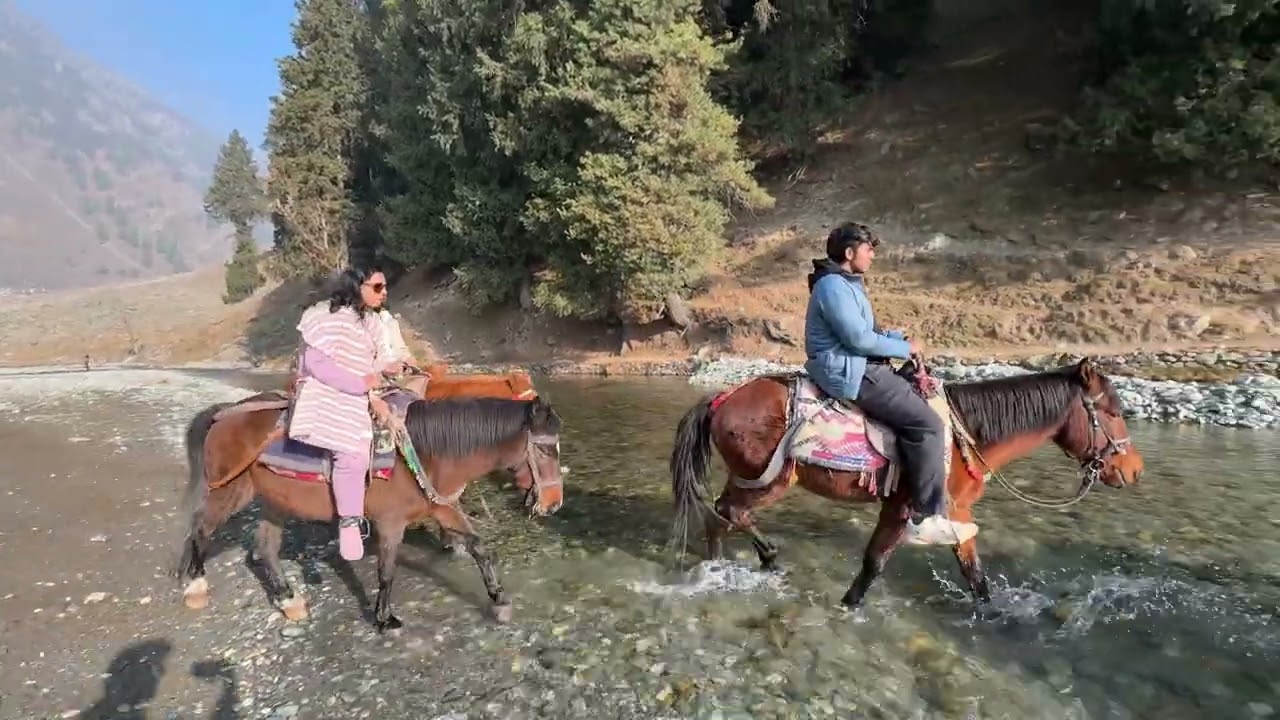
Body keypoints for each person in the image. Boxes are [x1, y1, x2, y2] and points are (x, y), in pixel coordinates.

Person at [803, 222, 978, 546]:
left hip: (855, 362)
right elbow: (856, 339)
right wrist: (903, 349)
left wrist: (897, 339)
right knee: (928, 425)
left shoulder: (845, 284)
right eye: (868, 249)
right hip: (848, 370)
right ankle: (925, 518)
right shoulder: (833, 287)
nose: (872, 256)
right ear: (849, 252)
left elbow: (867, 331)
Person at [289, 266, 405, 561]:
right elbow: (318, 364)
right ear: (357, 286)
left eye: (385, 287)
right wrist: (362, 384)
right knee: (353, 452)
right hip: (326, 388)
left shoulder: (373, 322)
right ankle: (350, 522)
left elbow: (369, 364)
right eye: (378, 287)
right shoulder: (326, 317)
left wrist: (386, 369)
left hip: (360, 389)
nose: (384, 292)